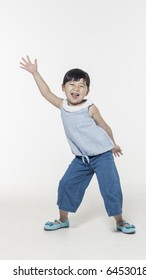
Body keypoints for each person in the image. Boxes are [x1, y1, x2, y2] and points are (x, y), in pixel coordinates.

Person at [20, 55, 136, 234]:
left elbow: (104, 126)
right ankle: (63, 220)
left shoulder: (90, 107)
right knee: (66, 184)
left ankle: (120, 221)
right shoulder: (62, 105)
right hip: (81, 159)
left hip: (102, 155)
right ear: (64, 88)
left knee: (110, 187)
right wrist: (35, 73)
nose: (76, 89)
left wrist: (113, 144)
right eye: (72, 85)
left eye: (81, 86)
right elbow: (46, 93)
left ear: (87, 92)